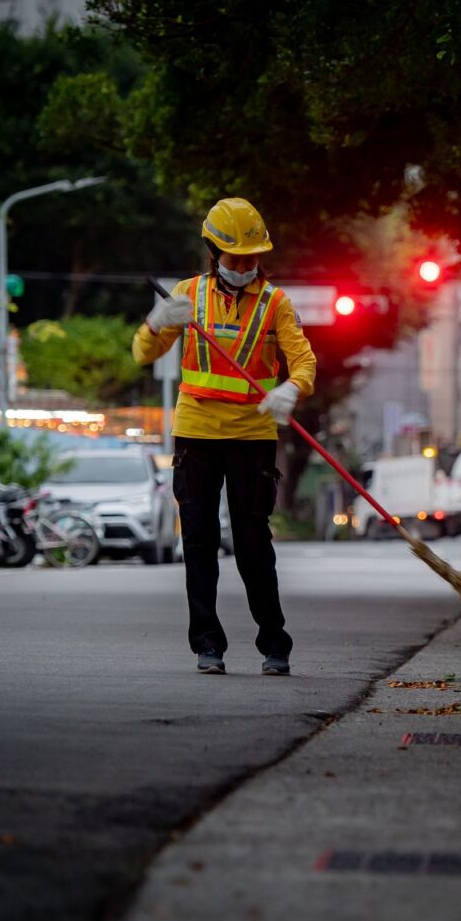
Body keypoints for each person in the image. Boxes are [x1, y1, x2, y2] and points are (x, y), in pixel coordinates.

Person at [133, 197, 315, 676]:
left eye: (252, 258)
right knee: (198, 542)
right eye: (236, 258)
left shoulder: (276, 303)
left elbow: (304, 360)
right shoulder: (186, 296)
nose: (244, 266)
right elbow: (141, 353)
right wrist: (156, 323)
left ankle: (275, 643)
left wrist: (291, 389)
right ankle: (207, 645)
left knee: (254, 543)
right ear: (215, 252)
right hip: (196, 433)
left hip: (253, 435)